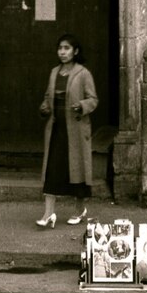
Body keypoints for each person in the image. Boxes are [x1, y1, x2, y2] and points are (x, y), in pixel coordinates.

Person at [36, 33, 98, 228]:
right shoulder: (54, 72)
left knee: (77, 172)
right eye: (60, 48)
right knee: (52, 170)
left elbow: (93, 99)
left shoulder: (83, 73)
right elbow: (48, 96)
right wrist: (45, 106)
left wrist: (82, 105)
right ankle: (48, 214)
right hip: (56, 129)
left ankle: (80, 210)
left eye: (67, 48)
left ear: (75, 51)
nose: (62, 52)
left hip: (76, 131)